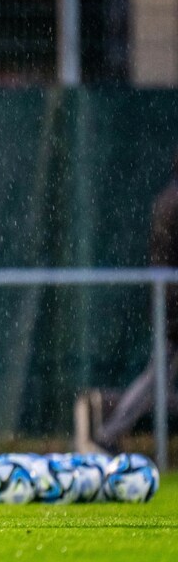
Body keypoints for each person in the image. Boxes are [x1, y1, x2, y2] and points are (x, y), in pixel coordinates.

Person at [85, 151, 178, 454]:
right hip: (173, 306)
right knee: (157, 380)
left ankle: (106, 435)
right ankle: (105, 436)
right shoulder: (172, 202)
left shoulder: (168, 199)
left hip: (168, 303)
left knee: (158, 379)